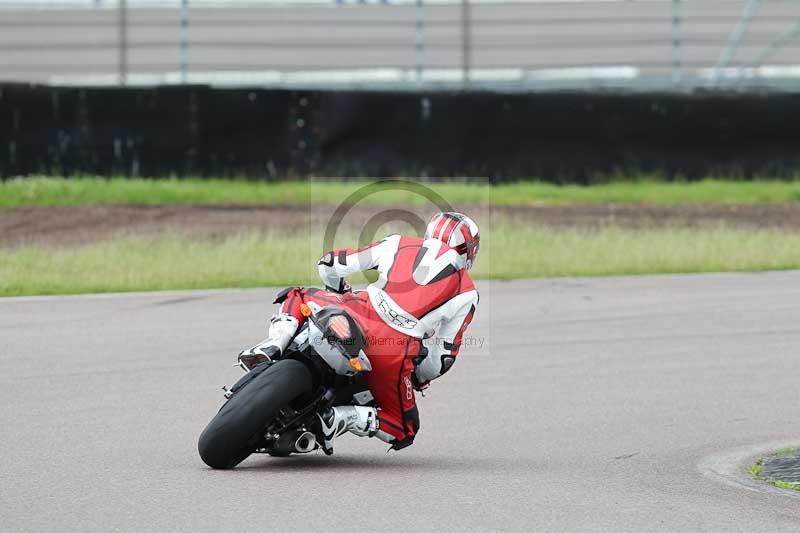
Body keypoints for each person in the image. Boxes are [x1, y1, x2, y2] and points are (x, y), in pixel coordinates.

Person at [237, 212, 480, 453]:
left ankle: (271, 346)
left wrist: (337, 290)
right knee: (404, 428)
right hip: (394, 350)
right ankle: (341, 418)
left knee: (297, 294)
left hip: (354, 311)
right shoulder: (468, 293)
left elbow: (330, 263)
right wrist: (417, 378)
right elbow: (442, 359)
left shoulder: (399, 243)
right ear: (469, 250)